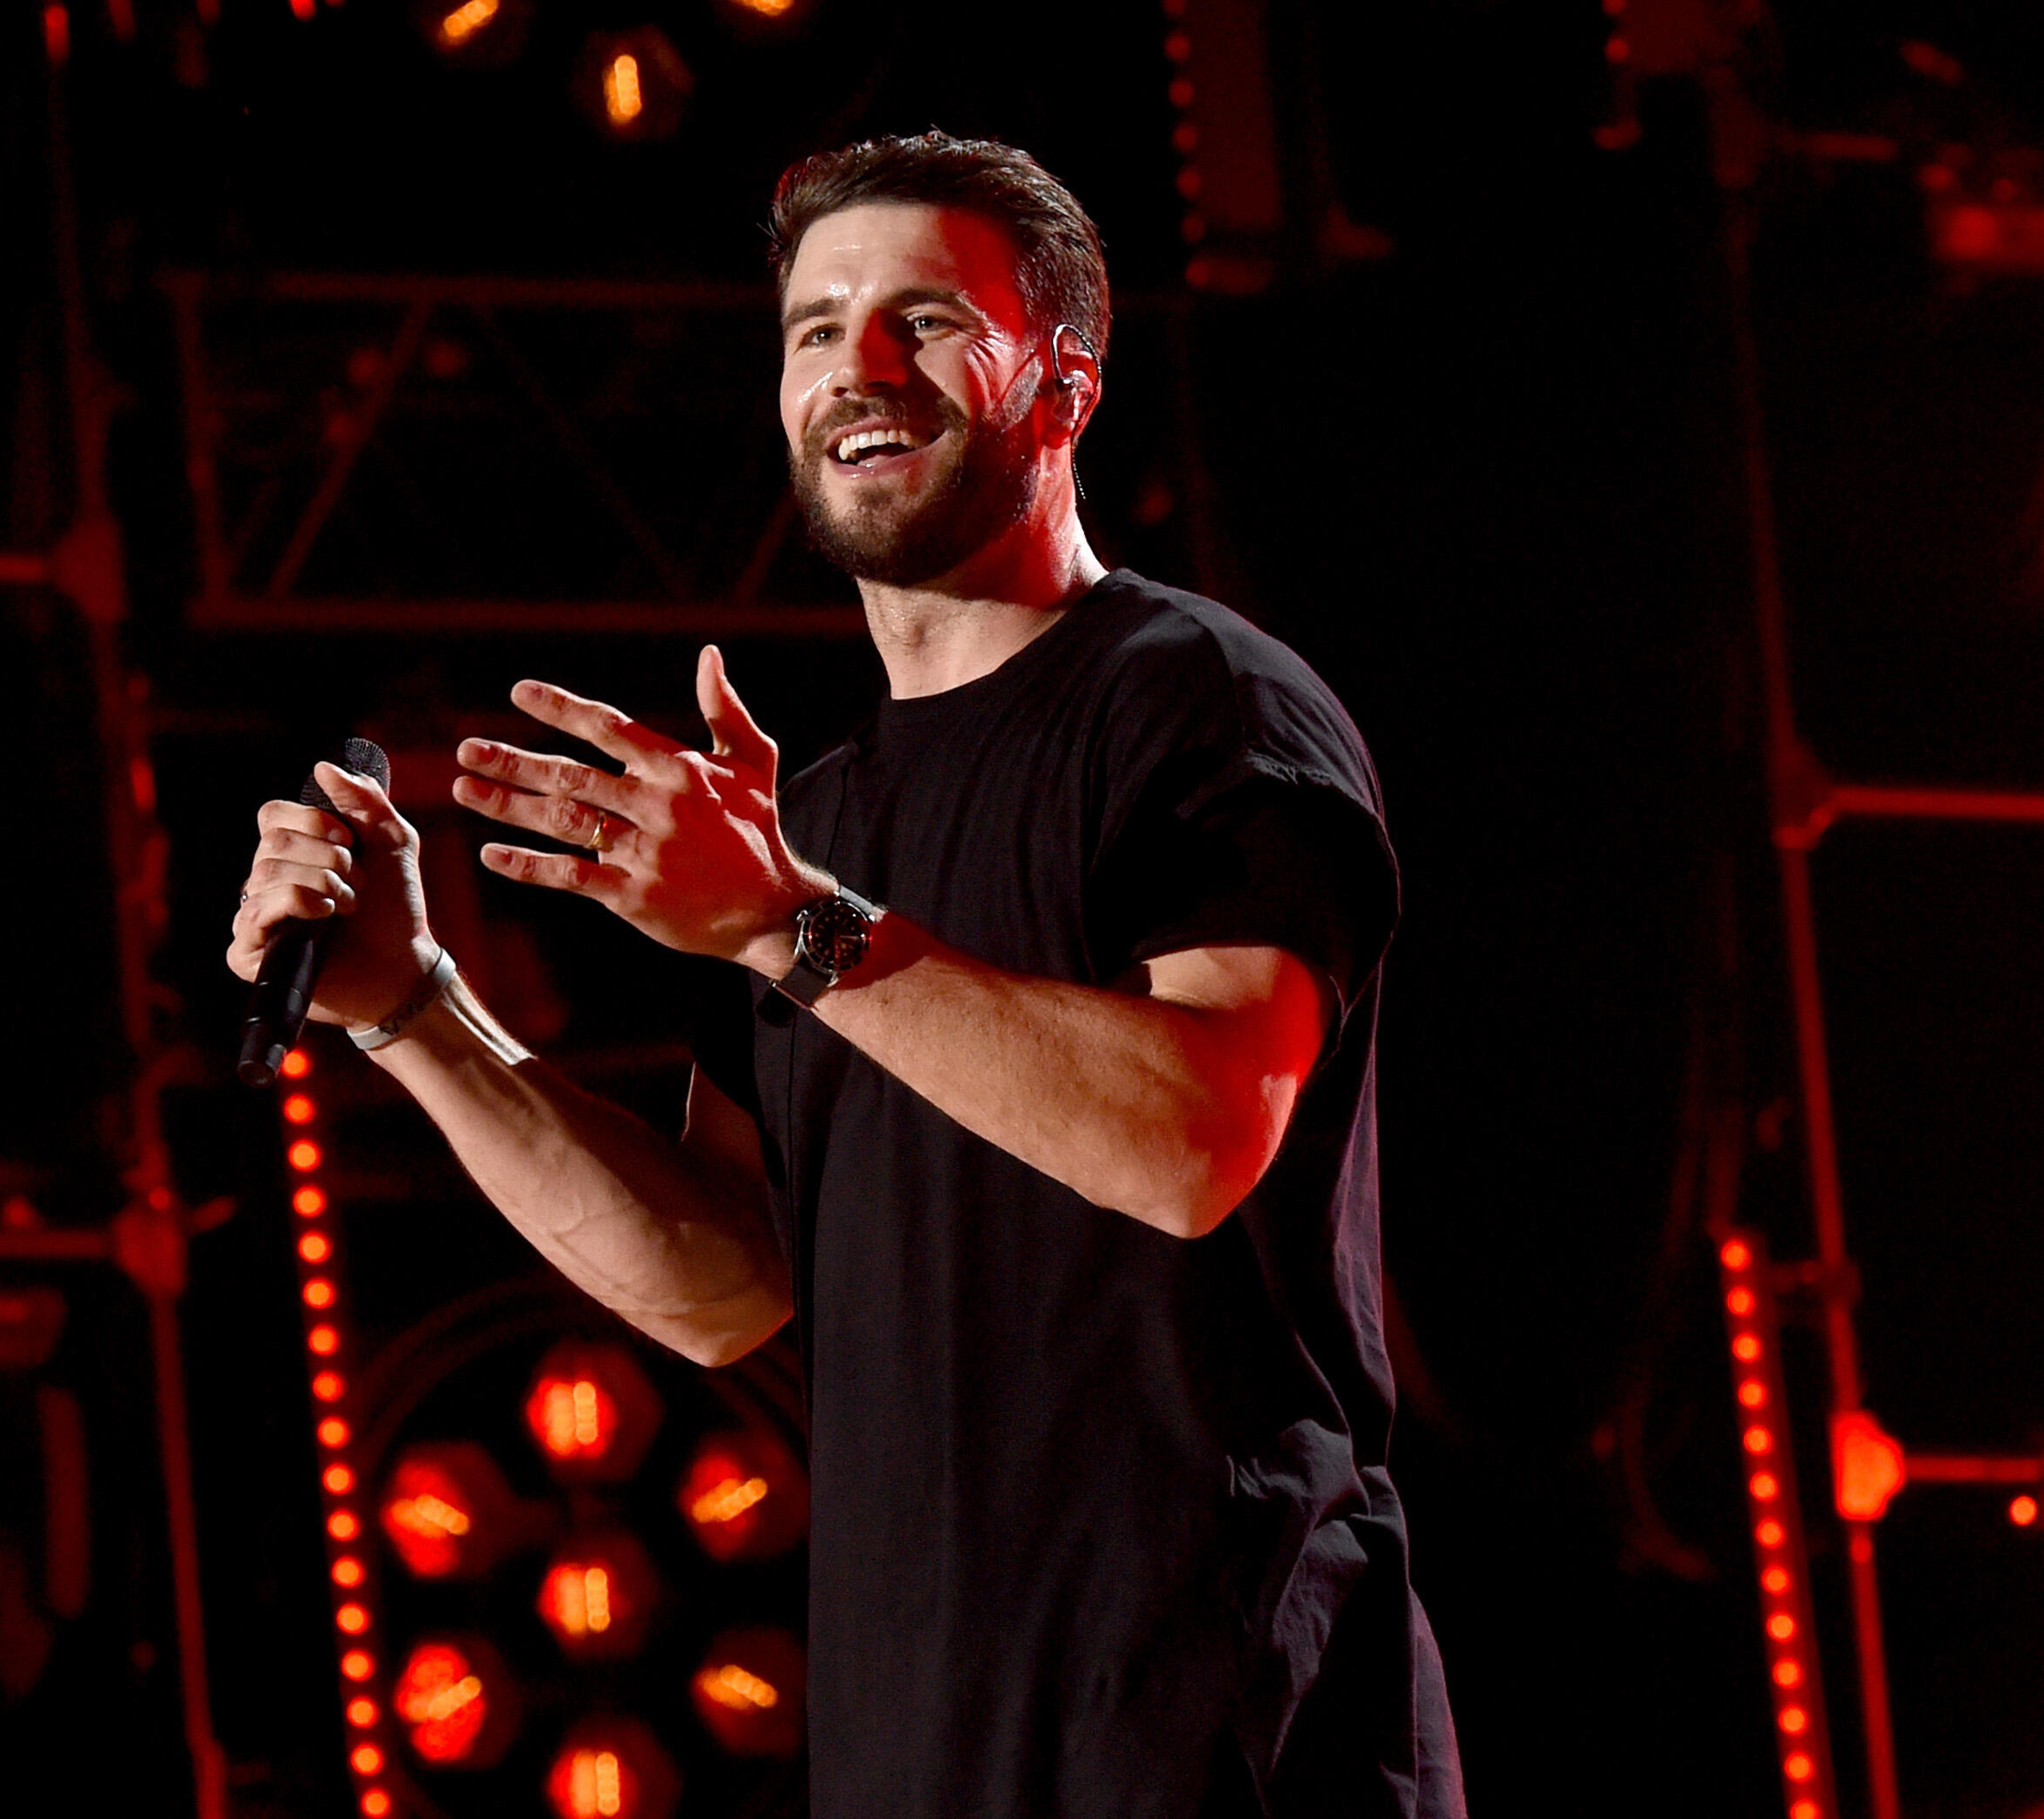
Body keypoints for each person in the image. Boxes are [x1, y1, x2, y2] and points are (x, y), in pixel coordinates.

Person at [228, 133, 1463, 1818]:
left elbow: (1193, 1142)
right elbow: (725, 1286)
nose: (857, 367)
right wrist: (416, 1015)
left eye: (926, 317)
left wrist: (781, 928)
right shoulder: (825, 818)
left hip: (1220, 1733)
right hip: (921, 1752)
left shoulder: (1202, 703)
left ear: (1067, 387)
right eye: (816, 328)